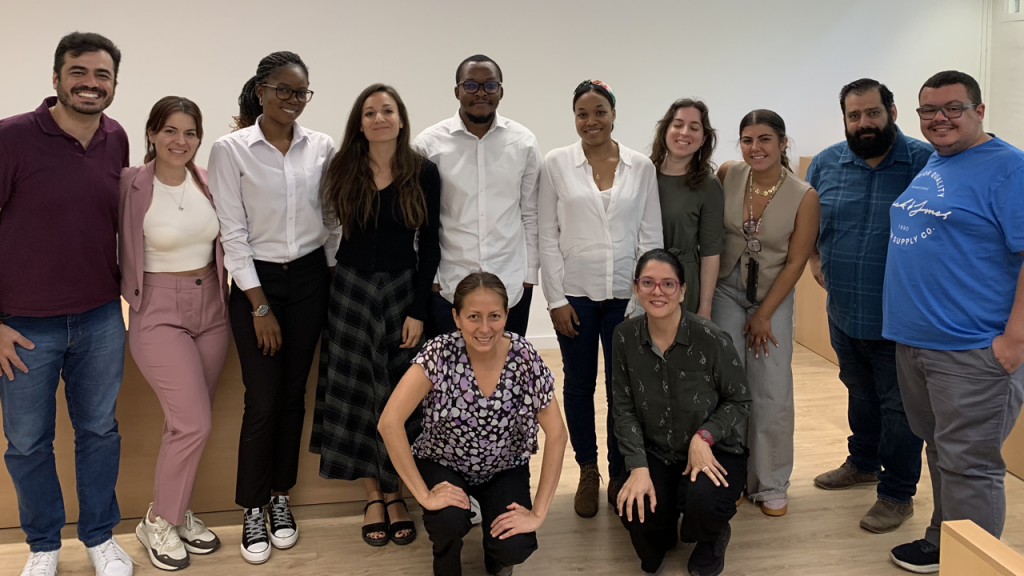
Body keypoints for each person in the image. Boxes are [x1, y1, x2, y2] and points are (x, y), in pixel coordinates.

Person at [0, 32, 135, 576]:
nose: (90, 83)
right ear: (56, 77)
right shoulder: (11, 137)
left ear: (114, 84)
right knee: (27, 443)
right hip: (24, 326)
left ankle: (100, 537)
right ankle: (43, 546)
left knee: (99, 432)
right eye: (79, 72)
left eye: (102, 75)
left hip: (101, 317)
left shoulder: (116, 137)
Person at [884, 70, 1024, 574]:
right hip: (918, 344)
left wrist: (1014, 340)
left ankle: (974, 566)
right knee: (943, 454)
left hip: (972, 349)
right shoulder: (937, 161)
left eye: (953, 108)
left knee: (971, 466)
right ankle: (945, 543)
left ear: (979, 111)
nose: (939, 118)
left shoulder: (1009, 168)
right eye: (928, 110)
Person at [208, 51, 338, 565]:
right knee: (262, 400)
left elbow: (331, 220)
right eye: (282, 89)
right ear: (260, 90)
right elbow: (233, 233)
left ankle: (281, 497)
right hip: (255, 283)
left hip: (309, 279)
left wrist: (333, 278)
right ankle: (252, 505)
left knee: (292, 395)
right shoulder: (231, 150)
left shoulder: (321, 146)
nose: (292, 100)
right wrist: (259, 307)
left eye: (300, 92)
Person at [310, 83, 441, 547]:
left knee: (401, 397)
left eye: (387, 110)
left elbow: (430, 245)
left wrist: (418, 310)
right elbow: (328, 231)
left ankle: (397, 491)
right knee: (360, 393)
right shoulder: (342, 167)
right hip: (351, 291)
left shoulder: (423, 171)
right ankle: (373, 495)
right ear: (359, 123)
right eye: (369, 112)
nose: (379, 118)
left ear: (401, 120)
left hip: (403, 291)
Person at [378, 272, 567, 576]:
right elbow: (389, 423)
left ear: (507, 315)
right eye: (473, 316)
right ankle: (446, 560)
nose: (484, 328)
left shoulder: (524, 356)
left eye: (494, 316)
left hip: (503, 466)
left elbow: (557, 434)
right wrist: (424, 496)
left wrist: (538, 513)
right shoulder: (439, 352)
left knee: (515, 544)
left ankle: (499, 560)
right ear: (456, 317)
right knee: (448, 520)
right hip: (443, 462)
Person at [805, 78, 931, 534]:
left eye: (872, 113)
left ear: (891, 112)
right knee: (859, 392)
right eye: (854, 115)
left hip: (901, 318)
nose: (863, 123)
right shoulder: (825, 164)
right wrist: (815, 259)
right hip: (844, 310)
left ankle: (897, 494)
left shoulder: (925, 164)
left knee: (899, 407)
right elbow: (807, 223)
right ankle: (862, 463)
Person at [539, 79, 662, 518]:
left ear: (613, 114)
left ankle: (619, 470)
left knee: (621, 388)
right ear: (574, 118)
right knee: (578, 384)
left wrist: (642, 300)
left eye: (599, 112)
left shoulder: (640, 166)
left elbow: (650, 236)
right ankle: (588, 470)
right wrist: (555, 300)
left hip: (625, 299)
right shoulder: (556, 163)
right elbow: (547, 236)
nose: (591, 121)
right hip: (575, 295)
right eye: (582, 114)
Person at [120, 96, 229, 570]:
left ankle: (176, 510)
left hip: (213, 308)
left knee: (184, 422)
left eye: (190, 132)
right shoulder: (129, 184)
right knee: (193, 423)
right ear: (151, 133)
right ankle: (158, 521)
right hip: (158, 310)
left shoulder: (207, 182)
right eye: (169, 130)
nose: (180, 141)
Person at [613, 249, 750, 576]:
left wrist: (705, 436)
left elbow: (740, 400)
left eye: (668, 284)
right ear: (636, 288)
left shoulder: (711, 337)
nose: (657, 291)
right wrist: (637, 467)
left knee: (704, 502)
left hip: (714, 450)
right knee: (636, 514)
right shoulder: (624, 337)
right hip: (657, 452)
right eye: (648, 283)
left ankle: (712, 535)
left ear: (683, 290)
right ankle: (666, 522)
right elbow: (623, 408)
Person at [712, 109, 820, 518]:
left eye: (764, 139)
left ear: (782, 142)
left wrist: (764, 314)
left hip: (772, 296)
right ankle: (733, 475)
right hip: (725, 291)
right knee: (728, 383)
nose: (755, 148)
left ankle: (771, 481)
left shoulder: (803, 195)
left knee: (771, 388)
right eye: (747, 140)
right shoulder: (728, 174)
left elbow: (795, 262)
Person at [413, 54, 541, 339]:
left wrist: (529, 276)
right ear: (457, 91)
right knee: (450, 368)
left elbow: (530, 214)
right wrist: (431, 279)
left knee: (508, 367)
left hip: (510, 283)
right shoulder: (428, 144)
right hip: (448, 285)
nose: (481, 93)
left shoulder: (523, 142)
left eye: (490, 85)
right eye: (470, 85)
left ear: (501, 91)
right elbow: (420, 222)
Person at [647, 99, 724, 319]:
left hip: (683, 283)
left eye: (694, 127)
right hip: (644, 280)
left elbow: (711, 252)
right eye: (678, 124)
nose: (684, 132)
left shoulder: (708, 185)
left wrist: (705, 308)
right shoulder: (645, 174)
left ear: (704, 138)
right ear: (665, 130)